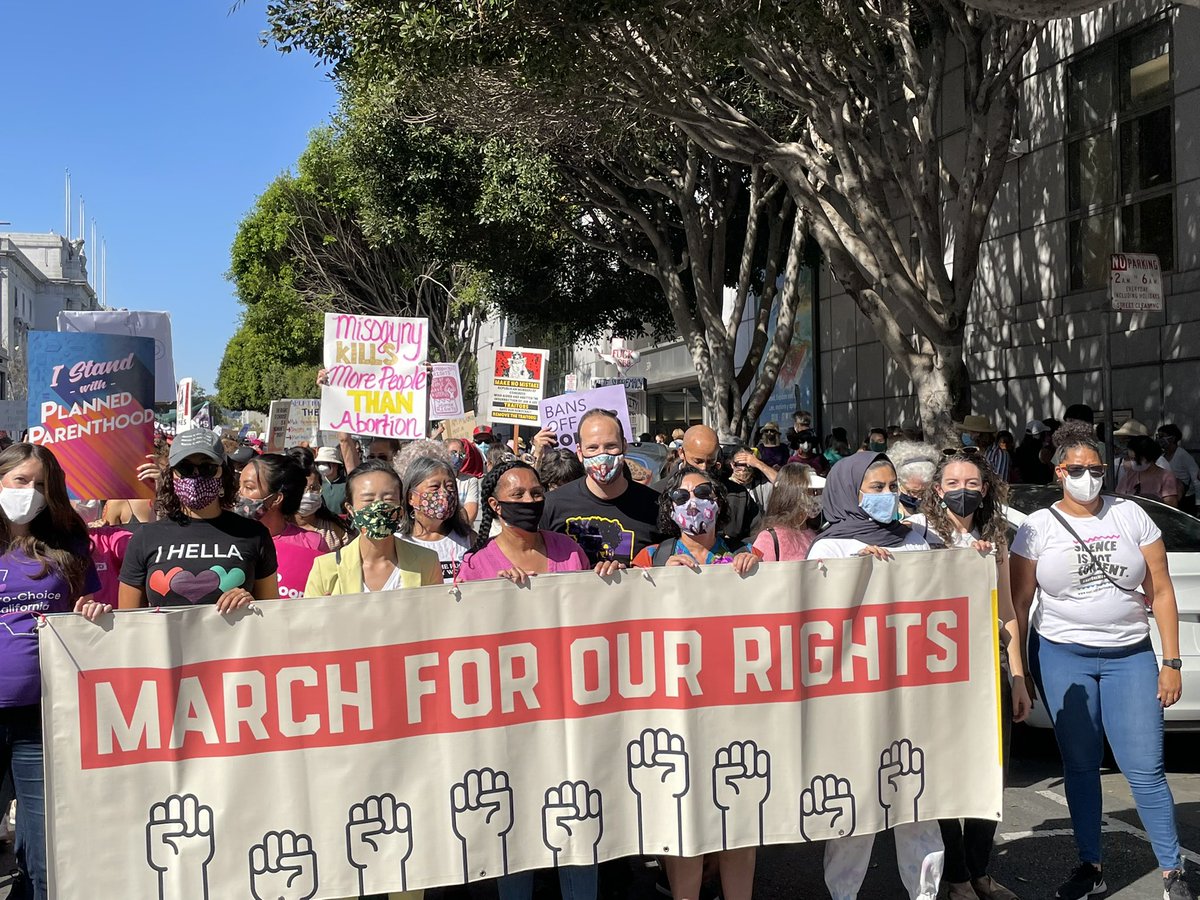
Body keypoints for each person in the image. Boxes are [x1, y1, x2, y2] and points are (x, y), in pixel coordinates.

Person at [1011, 423, 1194, 900]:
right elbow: (1019, 604)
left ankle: (1173, 873)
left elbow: (1161, 589)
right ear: (1059, 473)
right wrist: (1019, 673)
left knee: (1145, 768)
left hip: (1130, 656)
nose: (1087, 478)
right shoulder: (1036, 527)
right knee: (1081, 765)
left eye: (1095, 469)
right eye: (1077, 470)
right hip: (1061, 655)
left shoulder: (1131, 515)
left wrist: (1171, 662)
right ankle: (1090, 867)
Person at [807, 452, 940, 900]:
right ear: (849, 491)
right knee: (856, 802)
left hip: (911, 690)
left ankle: (925, 892)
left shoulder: (915, 539)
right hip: (855, 697)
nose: (888, 495)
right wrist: (853, 576)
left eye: (891, 487)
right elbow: (816, 622)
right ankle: (843, 893)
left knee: (918, 801)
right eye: (876, 488)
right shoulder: (829, 549)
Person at [906, 453, 1030, 900]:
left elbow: (1007, 610)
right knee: (942, 772)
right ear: (937, 489)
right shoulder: (917, 533)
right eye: (954, 482)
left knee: (989, 773)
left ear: (985, 489)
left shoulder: (994, 537)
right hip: (936, 671)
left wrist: (1018, 676)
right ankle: (956, 875)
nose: (963, 490)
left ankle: (980, 871)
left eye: (972, 483)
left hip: (987, 666)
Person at [631, 465, 756, 900]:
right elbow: (626, 620)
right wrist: (653, 582)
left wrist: (758, 574)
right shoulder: (652, 558)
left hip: (733, 709)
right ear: (669, 508)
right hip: (674, 711)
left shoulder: (745, 556)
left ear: (719, 502)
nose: (693, 503)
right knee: (684, 821)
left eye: (702, 493)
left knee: (738, 822)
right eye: (681, 497)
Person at [0, 444, 106, 899]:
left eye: (41, 484)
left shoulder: (68, 542)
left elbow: (89, 609)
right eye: (21, 480)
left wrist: (93, 612)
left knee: (47, 850)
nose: (30, 492)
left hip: (42, 717)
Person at [119, 429, 280, 610]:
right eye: (185, 468)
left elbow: (272, 612)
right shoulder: (145, 537)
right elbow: (129, 618)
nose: (196, 476)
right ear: (171, 475)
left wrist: (252, 603)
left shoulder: (254, 534)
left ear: (223, 473)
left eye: (207, 468)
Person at [542, 409, 661, 567]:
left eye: (611, 446)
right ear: (580, 453)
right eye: (592, 448)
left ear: (624, 446)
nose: (602, 455)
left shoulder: (656, 506)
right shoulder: (551, 505)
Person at [305, 460, 442, 596]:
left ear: (400, 506)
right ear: (350, 509)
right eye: (368, 500)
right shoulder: (325, 569)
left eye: (389, 498)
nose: (379, 506)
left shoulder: (427, 561)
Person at [236, 453, 328, 599]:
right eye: (239, 485)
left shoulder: (312, 544)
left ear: (276, 499)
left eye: (248, 487)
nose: (239, 493)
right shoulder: (229, 539)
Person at [399, 456, 473, 583]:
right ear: (411, 497)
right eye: (435, 487)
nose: (444, 493)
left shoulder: (469, 540)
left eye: (450, 486)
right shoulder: (398, 542)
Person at [751, 463, 820, 561]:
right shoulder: (769, 539)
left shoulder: (815, 534)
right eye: (810, 491)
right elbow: (759, 568)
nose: (815, 496)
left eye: (816, 491)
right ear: (792, 494)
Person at [287, 447, 350, 551]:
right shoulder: (277, 528)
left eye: (314, 488)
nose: (308, 494)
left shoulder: (336, 529)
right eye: (302, 489)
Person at [1117, 435, 1180, 507]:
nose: (1133, 462)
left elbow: (1170, 505)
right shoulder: (1129, 475)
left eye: (1135, 459)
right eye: (1131, 458)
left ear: (1148, 456)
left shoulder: (1166, 477)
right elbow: (1119, 498)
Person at [887, 441, 941, 517]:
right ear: (898, 482)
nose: (919, 498)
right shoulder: (888, 510)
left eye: (924, 492)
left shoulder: (939, 506)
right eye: (914, 491)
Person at [1156, 424, 1198, 515]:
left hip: (1186, 498)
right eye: (1158, 437)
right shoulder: (1162, 457)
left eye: (1162, 436)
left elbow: (1196, 479)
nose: (1160, 440)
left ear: (1173, 438)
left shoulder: (1183, 455)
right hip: (1169, 494)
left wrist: (1198, 502)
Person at [957, 415, 1009, 483]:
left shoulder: (998, 454)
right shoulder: (967, 452)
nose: (965, 435)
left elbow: (1000, 482)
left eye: (968, 432)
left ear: (978, 434)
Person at [446, 437, 484, 526]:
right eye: (453, 453)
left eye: (462, 454)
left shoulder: (470, 480)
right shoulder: (433, 478)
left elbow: (470, 514)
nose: (458, 457)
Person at [1013, 420, 1054, 485]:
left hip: (1023, 486)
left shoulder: (1019, 450)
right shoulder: (1043, 451)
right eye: (1045, 433)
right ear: (1040, 435)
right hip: (1042, 486)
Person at [316, 446, 349, 516]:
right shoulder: (317, 484)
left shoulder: (347, 484)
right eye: (319, 463)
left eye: (324, 463)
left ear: (335, 465)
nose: (321, 466)